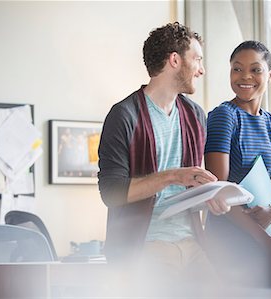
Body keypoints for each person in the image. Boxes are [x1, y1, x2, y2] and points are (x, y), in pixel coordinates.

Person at [97, 22, 229, 290]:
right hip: (147, 246)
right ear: (175, 60)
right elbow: (111, 192)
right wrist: (172, 176)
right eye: (197, 59)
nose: (202, 70)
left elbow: (186, 187)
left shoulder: (195, 116)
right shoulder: (123, 115)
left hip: (193, 243)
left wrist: (209, 198)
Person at [204, 40, 271, 287]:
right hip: (232, 236)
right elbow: (219, 192)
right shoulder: (223, 116)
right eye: (237, 69)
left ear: (270, 74)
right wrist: (264, 241)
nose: (245, 76)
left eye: (256, 69)